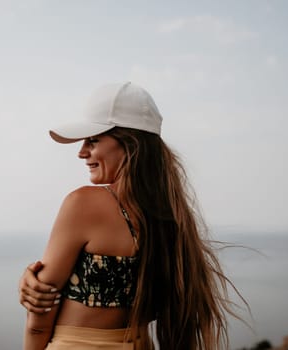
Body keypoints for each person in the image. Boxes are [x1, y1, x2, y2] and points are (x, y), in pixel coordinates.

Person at [20, 82, 242, 350]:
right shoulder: (172, 218)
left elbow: (38, 318)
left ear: (129, 144)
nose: (81, 152)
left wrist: (33, 281)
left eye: (93, 140)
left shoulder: (84, 203)